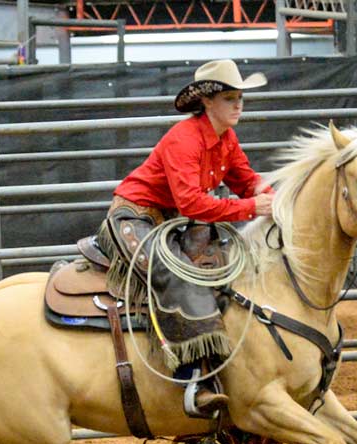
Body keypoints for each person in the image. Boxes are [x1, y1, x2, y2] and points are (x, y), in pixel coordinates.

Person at [97, 59, 275, 418]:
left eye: (240, 97)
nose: (238, 104)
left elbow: (244, 178)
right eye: (230, 97)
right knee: (176, 274)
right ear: (208, 101)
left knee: (219, 268)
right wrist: (253, 207)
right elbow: (191, 201)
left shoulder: (226, 138)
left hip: (167, 220)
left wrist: (267, 193)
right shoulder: (184, 139)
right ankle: (192, 379)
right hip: (134, 215)